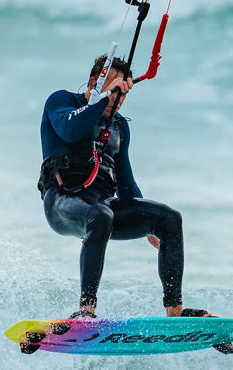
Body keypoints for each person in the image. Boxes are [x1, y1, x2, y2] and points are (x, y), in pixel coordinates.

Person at [37, 54, 220, 325]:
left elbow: (125, 183)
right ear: (93, 82)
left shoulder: (119, 126)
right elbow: (70, 130)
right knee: (100, 215)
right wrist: (103, 100)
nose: (118, 100)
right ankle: (86, 310)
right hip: (63, 203)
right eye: (114, 90)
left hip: (102, 207)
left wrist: (147, 222)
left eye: (122, 95)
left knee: (169, 218)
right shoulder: (62, 101)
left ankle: (175, 310)